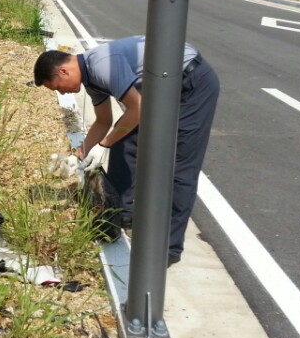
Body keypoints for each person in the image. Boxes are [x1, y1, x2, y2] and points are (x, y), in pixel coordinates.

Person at [33, 35, 219, 268]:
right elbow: (103, 122)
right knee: (123, 142)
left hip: (191, 84)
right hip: (160, 88)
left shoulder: (101, 66)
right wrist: (78, 155)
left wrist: (104, 145)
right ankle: (122, 215)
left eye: (58, 88)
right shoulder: (91, 79)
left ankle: (169, 248)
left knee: (181, 167)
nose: (62, 94)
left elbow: (137, 108)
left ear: (63, 71)